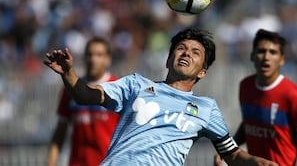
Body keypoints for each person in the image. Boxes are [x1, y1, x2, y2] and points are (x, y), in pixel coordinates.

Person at [44, 28, 278, 166]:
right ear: (168, 60)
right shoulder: (135, 85)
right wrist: (69, 73)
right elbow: (86, 96)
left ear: (203, 72)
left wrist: (257, 163)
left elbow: (233, 153)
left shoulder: (206, 109)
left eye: (196, 52)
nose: (187, 53)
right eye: (181, 48)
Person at [216, 29, 297, 166]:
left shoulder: (292, 95)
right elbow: (248, 125)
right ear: (252, 56)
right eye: (261, 51)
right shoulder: (246, 86)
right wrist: (227, 150)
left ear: (282, 60)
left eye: (273, 52)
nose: (266, 57)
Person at [47, 37, 120, 166]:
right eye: (89, 54)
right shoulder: (70, 89)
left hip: (108, 162)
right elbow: (60, 132)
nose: (93, 59)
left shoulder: (117, 88)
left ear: (108, 59)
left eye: (99, 55)